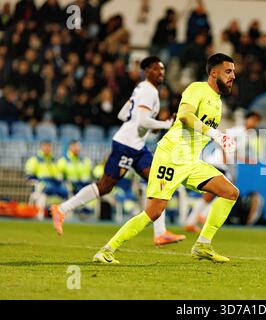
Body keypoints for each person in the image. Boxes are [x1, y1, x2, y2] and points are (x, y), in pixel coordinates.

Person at [93, 53, 238, 264]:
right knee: (153, 212)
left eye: (233, 72)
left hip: (190, 161)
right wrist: (216, 134)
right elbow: (185, 116)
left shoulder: (217, 102)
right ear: (214, 73)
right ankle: (107, 250)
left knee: (230, 192)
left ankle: (203, 245)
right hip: (171, 156)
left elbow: (200, 131)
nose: (232, 76)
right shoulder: (197, 89)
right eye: (228, 71)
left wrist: (220, 140)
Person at [51, 56, 186, 247]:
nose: (161, 73)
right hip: (126, 145)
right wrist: (165, 124)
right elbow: (141, 121)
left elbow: (123, 114)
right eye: (157, 69)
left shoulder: (140, 89)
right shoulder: (149, 91)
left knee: (159, 180)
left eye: (163, 70)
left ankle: (161, 233)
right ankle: (62, 209)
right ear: (147, 71)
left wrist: (146, 126)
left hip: (137, 146)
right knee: (105, 186)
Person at [25, 140, 68, 220]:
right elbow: (29, 177)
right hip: (41, 184)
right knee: (45, 188)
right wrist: (39, 182)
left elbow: (59, 175)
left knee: (65, 191)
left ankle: (62, 217)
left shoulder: (54, 161)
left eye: (49, 146)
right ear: (41, 147)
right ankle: (39, 215)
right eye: (45, 146)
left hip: (54, 184)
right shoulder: (34, 160)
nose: (47, 148)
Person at [57, 140, 93, 215]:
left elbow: (90, 174)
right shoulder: (63, 161)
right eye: (75, 146)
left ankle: (87, 210)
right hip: (71, 186)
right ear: (70, 147)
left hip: (84, 185)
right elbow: (59, 177)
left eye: (78, 147)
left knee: (92, 190)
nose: (77, 149)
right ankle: (79, 210)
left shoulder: (85, 161)